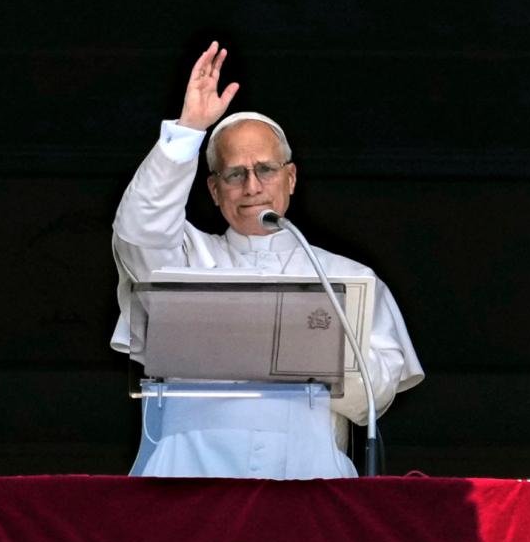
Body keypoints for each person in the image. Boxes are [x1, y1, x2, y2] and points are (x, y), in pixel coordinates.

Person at [110, 42, 423, 479]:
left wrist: (304, 350)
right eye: (235, 174)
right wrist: (188, 130)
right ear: (214, 190)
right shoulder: (186, 261)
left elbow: (377, 394)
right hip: (190, 475)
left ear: (290, 178)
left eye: (266, 170)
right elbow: (138, 230)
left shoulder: (346, 276)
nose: (252, 186)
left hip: (308, 477)